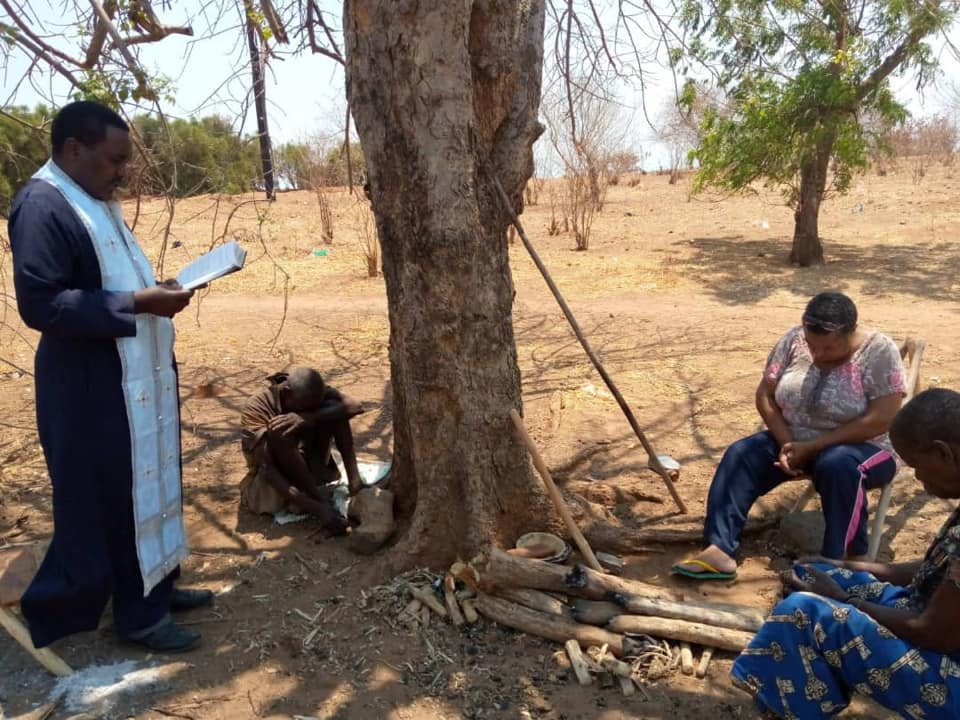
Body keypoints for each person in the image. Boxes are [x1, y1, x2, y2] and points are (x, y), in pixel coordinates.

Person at [10, 101, 211, 653]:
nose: (122, 172)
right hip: (89, 386)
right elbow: (41, 304)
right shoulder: (42, 205)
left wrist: (157, 288)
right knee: (113, 496)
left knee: (150, 481)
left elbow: (109, 277)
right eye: (114, 160)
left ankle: (156, 586)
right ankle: (136, 618)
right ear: (75, 150)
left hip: (134, 376)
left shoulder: (93, 199)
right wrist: (140, 301)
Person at [731, 388, 960, 719]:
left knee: (805, 611)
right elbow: (933, 570)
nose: (919, 480)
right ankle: (805, 700)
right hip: (933, 624)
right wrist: (843, 565)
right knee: (815, 578)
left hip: (948, 676)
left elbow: (930, 631)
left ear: (942, 454)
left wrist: (847, 602)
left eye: (917, 466)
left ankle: (792, 707)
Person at [673, 292, 906, 580]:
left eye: (828, 347)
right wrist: (787, 443)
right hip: (794, 440)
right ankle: (719, 548)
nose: (818, 354)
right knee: (741, 454)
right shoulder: (794, 341)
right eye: (812, 345)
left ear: (850, 332)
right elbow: (766, 395)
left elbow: (881, 418)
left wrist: (814, 446)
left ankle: (842, 563)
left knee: (839, 463)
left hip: (865, 449)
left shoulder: (879, 352)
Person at [239, 367, 365, 532]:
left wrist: (308, 418)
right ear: (286, 392)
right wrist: (319, 508)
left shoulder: (312, 391)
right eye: (303, 408)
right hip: (274, 487)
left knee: (335, 410)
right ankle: (316, 500)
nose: (306, 411)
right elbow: (267, 470)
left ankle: (355, 485)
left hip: (312, 470)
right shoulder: (257, 407)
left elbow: (355, 405)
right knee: (279, 429)